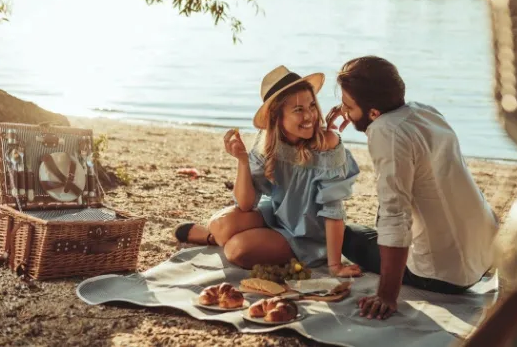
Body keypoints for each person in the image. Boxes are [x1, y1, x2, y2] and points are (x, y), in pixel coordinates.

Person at [325, 56, 498, 320]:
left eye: (349, 106)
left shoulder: (386, 132)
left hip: (443, 275)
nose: (345, 112)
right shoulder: (423, 112)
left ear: (373, 112)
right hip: (485, 253)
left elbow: (396, 216)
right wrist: (353, 107)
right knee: (365, 231)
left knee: (344, 237)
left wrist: (386, 295)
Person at [174, 65, 362, 278]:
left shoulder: (328, 145)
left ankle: (215, 239)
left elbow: (333, 210)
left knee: (237, 250)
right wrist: (243, 161)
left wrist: (335, 265)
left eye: (311, 106)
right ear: (276, 116)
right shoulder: (267, 144)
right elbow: (245, 204)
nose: (310, 116)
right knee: (219, 223)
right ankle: (213, 236)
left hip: (307, 235)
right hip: (275, 216)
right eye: (298, 110)